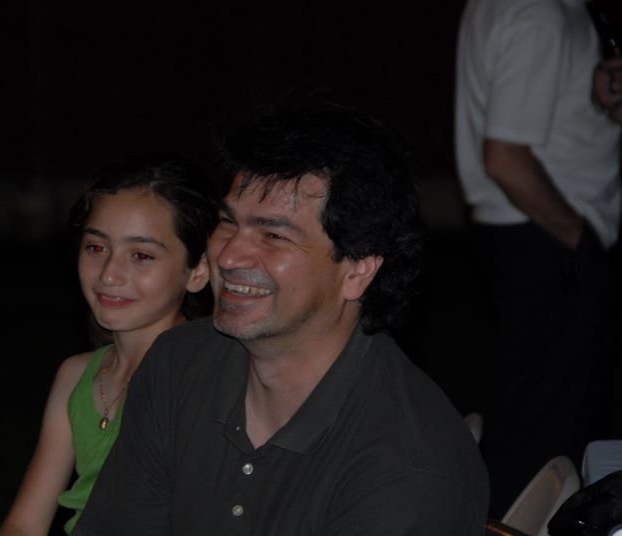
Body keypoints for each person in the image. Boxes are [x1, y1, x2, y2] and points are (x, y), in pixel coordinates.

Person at [73, 104, 490, 536]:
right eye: (227, 222)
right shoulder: (178, 364)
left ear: (357, 270)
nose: (228, 256)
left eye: (273, 235)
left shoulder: (406, 469)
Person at [455, 0, 621, 515]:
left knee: (539, 419)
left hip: (532, 238)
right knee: (544, 437)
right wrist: (579, 240)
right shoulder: (538, 12)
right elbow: (504, 158)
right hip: (546, 238)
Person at [0, 159, 217, 535]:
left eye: (141, 255)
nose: (109, 274)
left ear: (198, 271)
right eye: (96, 247)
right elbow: (24, 524)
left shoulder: (207, 377)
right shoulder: (76, 376)